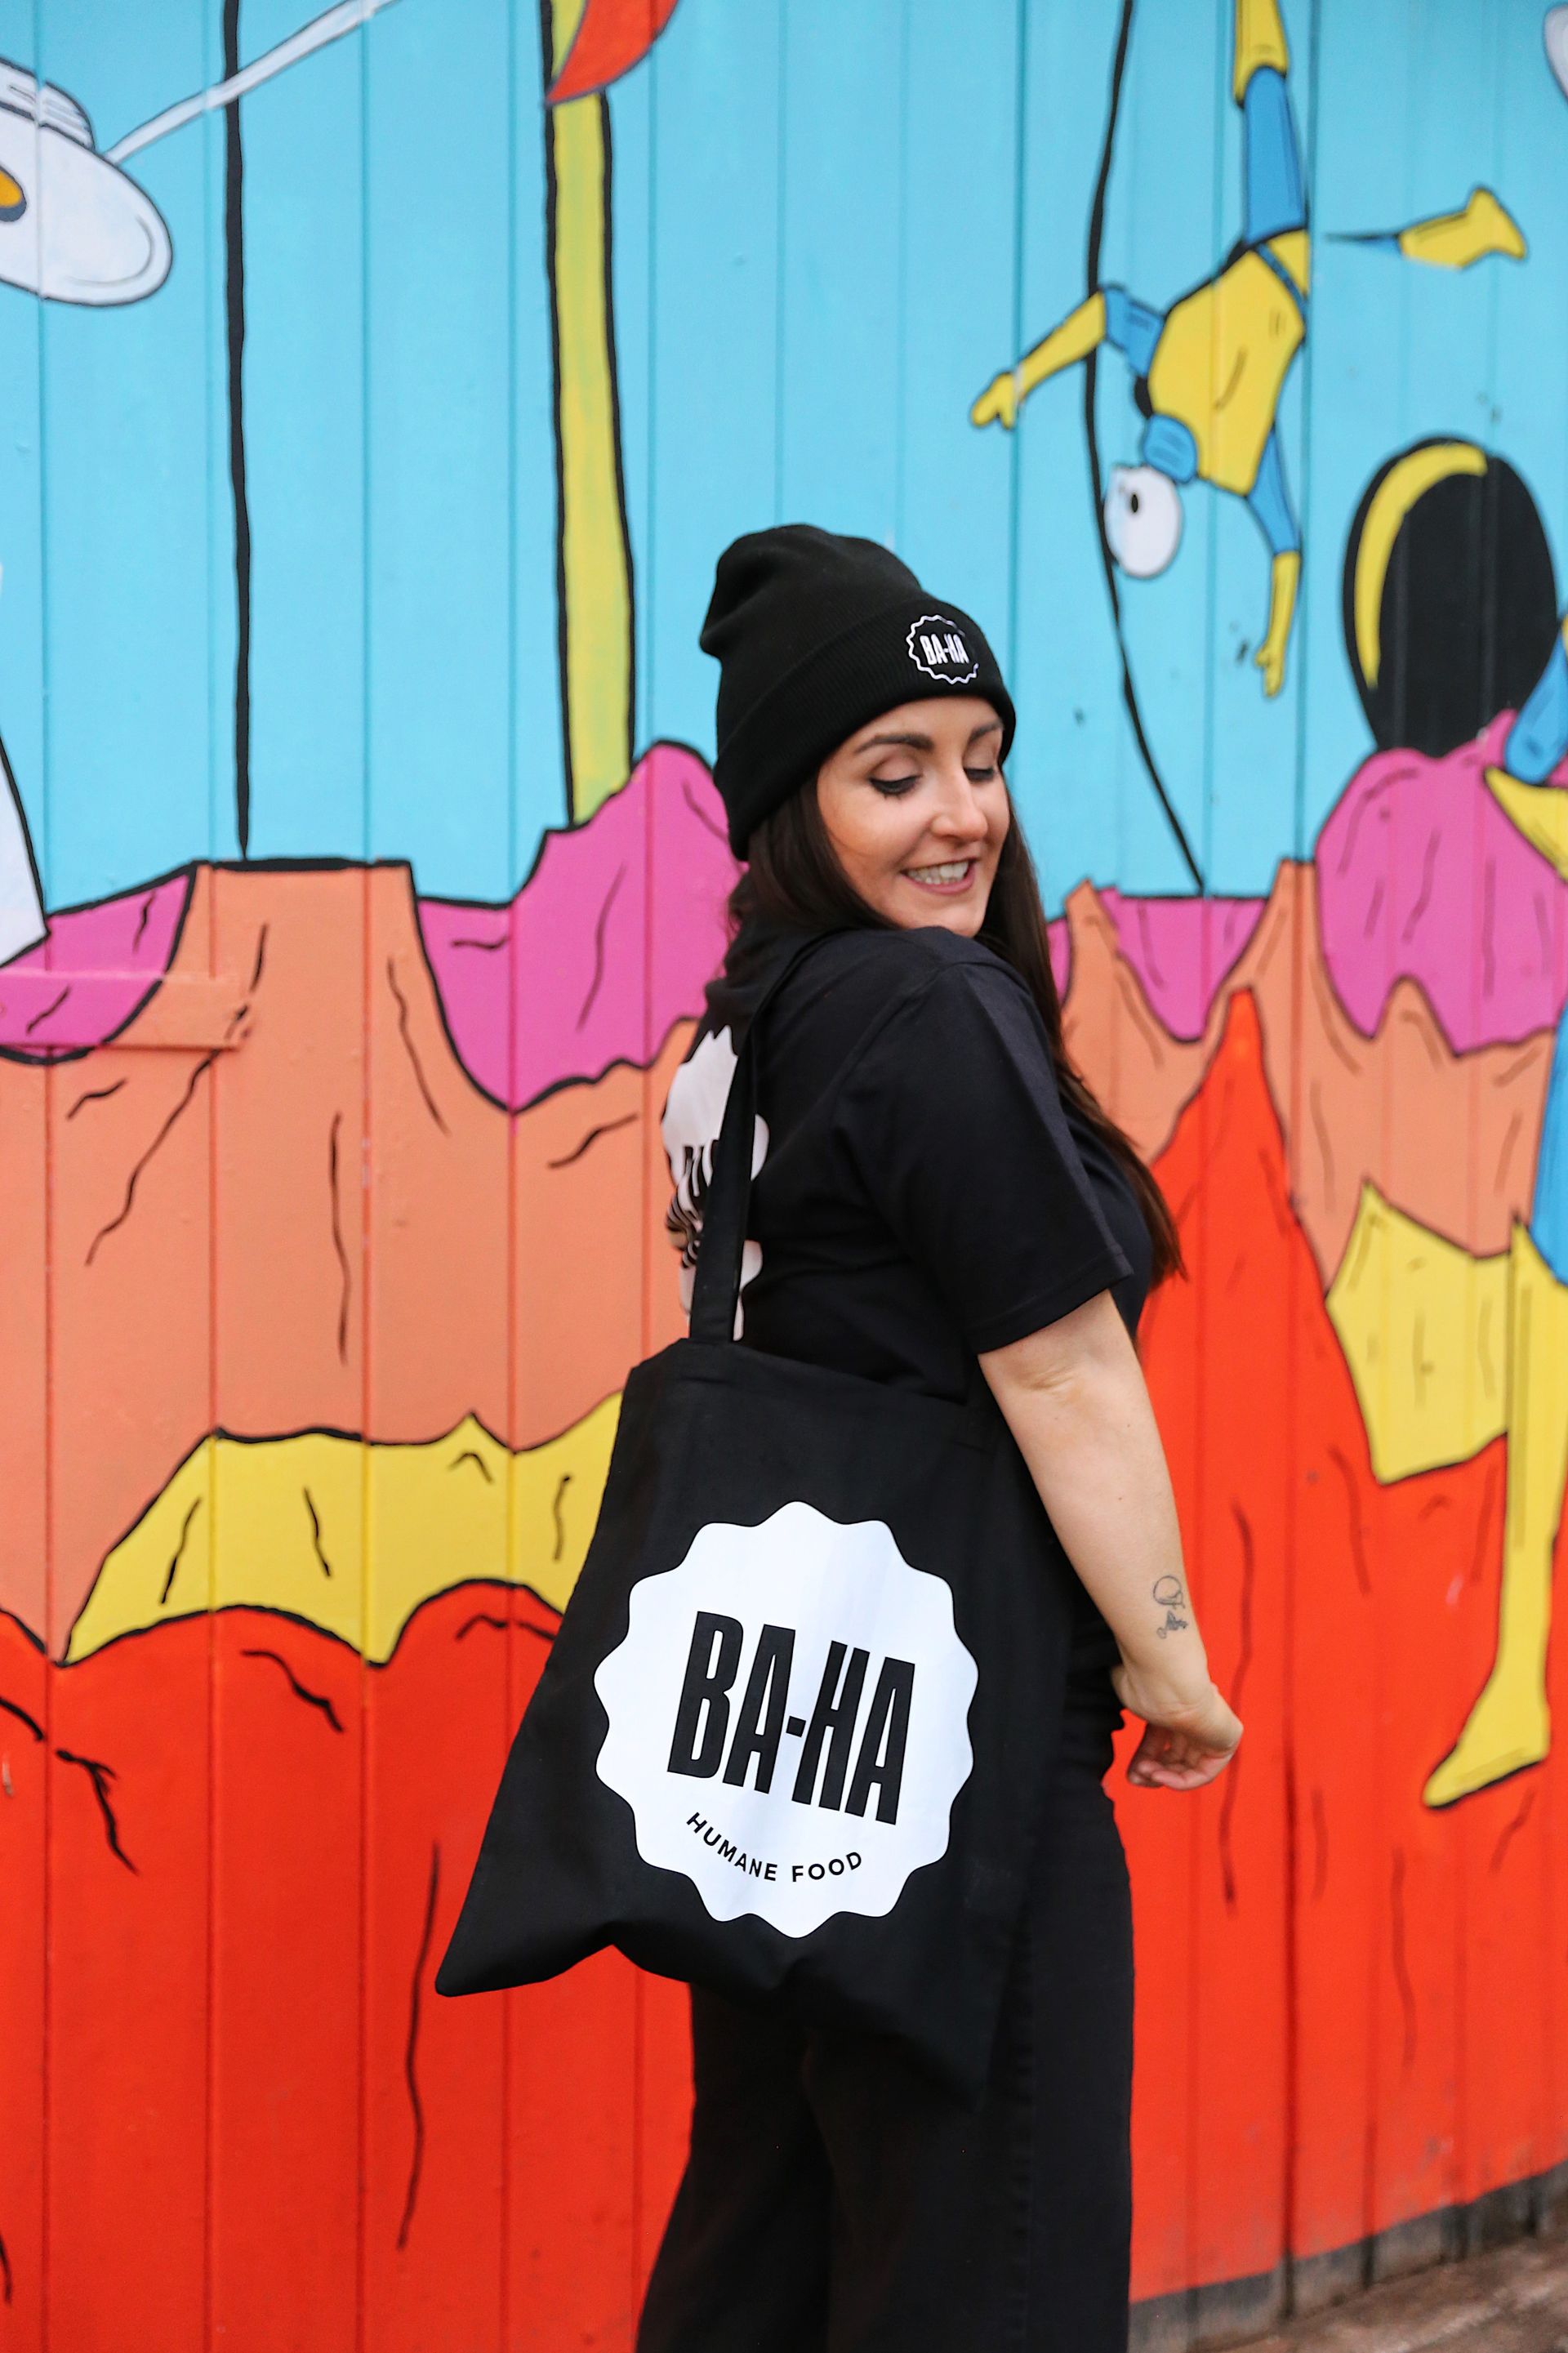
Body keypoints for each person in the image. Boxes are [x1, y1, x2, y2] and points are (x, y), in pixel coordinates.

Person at [642, 524, 1242, 2353]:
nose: (959, 814)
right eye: (892, 774)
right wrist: (1173, 1666)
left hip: (791, 1759)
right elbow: (1062, 1372)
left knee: (777, 2255)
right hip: (968, 1756)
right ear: (791, 806)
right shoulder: (923, 1007)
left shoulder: (740, 1039)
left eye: (978, 760)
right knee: (995, 2263)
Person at [969, 0, 1522, 699]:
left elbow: (1284, 549)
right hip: (1280, 244)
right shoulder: (1176, 382)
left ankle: (1477, 228)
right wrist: (1018, 382)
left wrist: (1276, 639)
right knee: (1266, 93)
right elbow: (1105, 314)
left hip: (1301, 287)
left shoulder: (1237, 460)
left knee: (1384, 241)